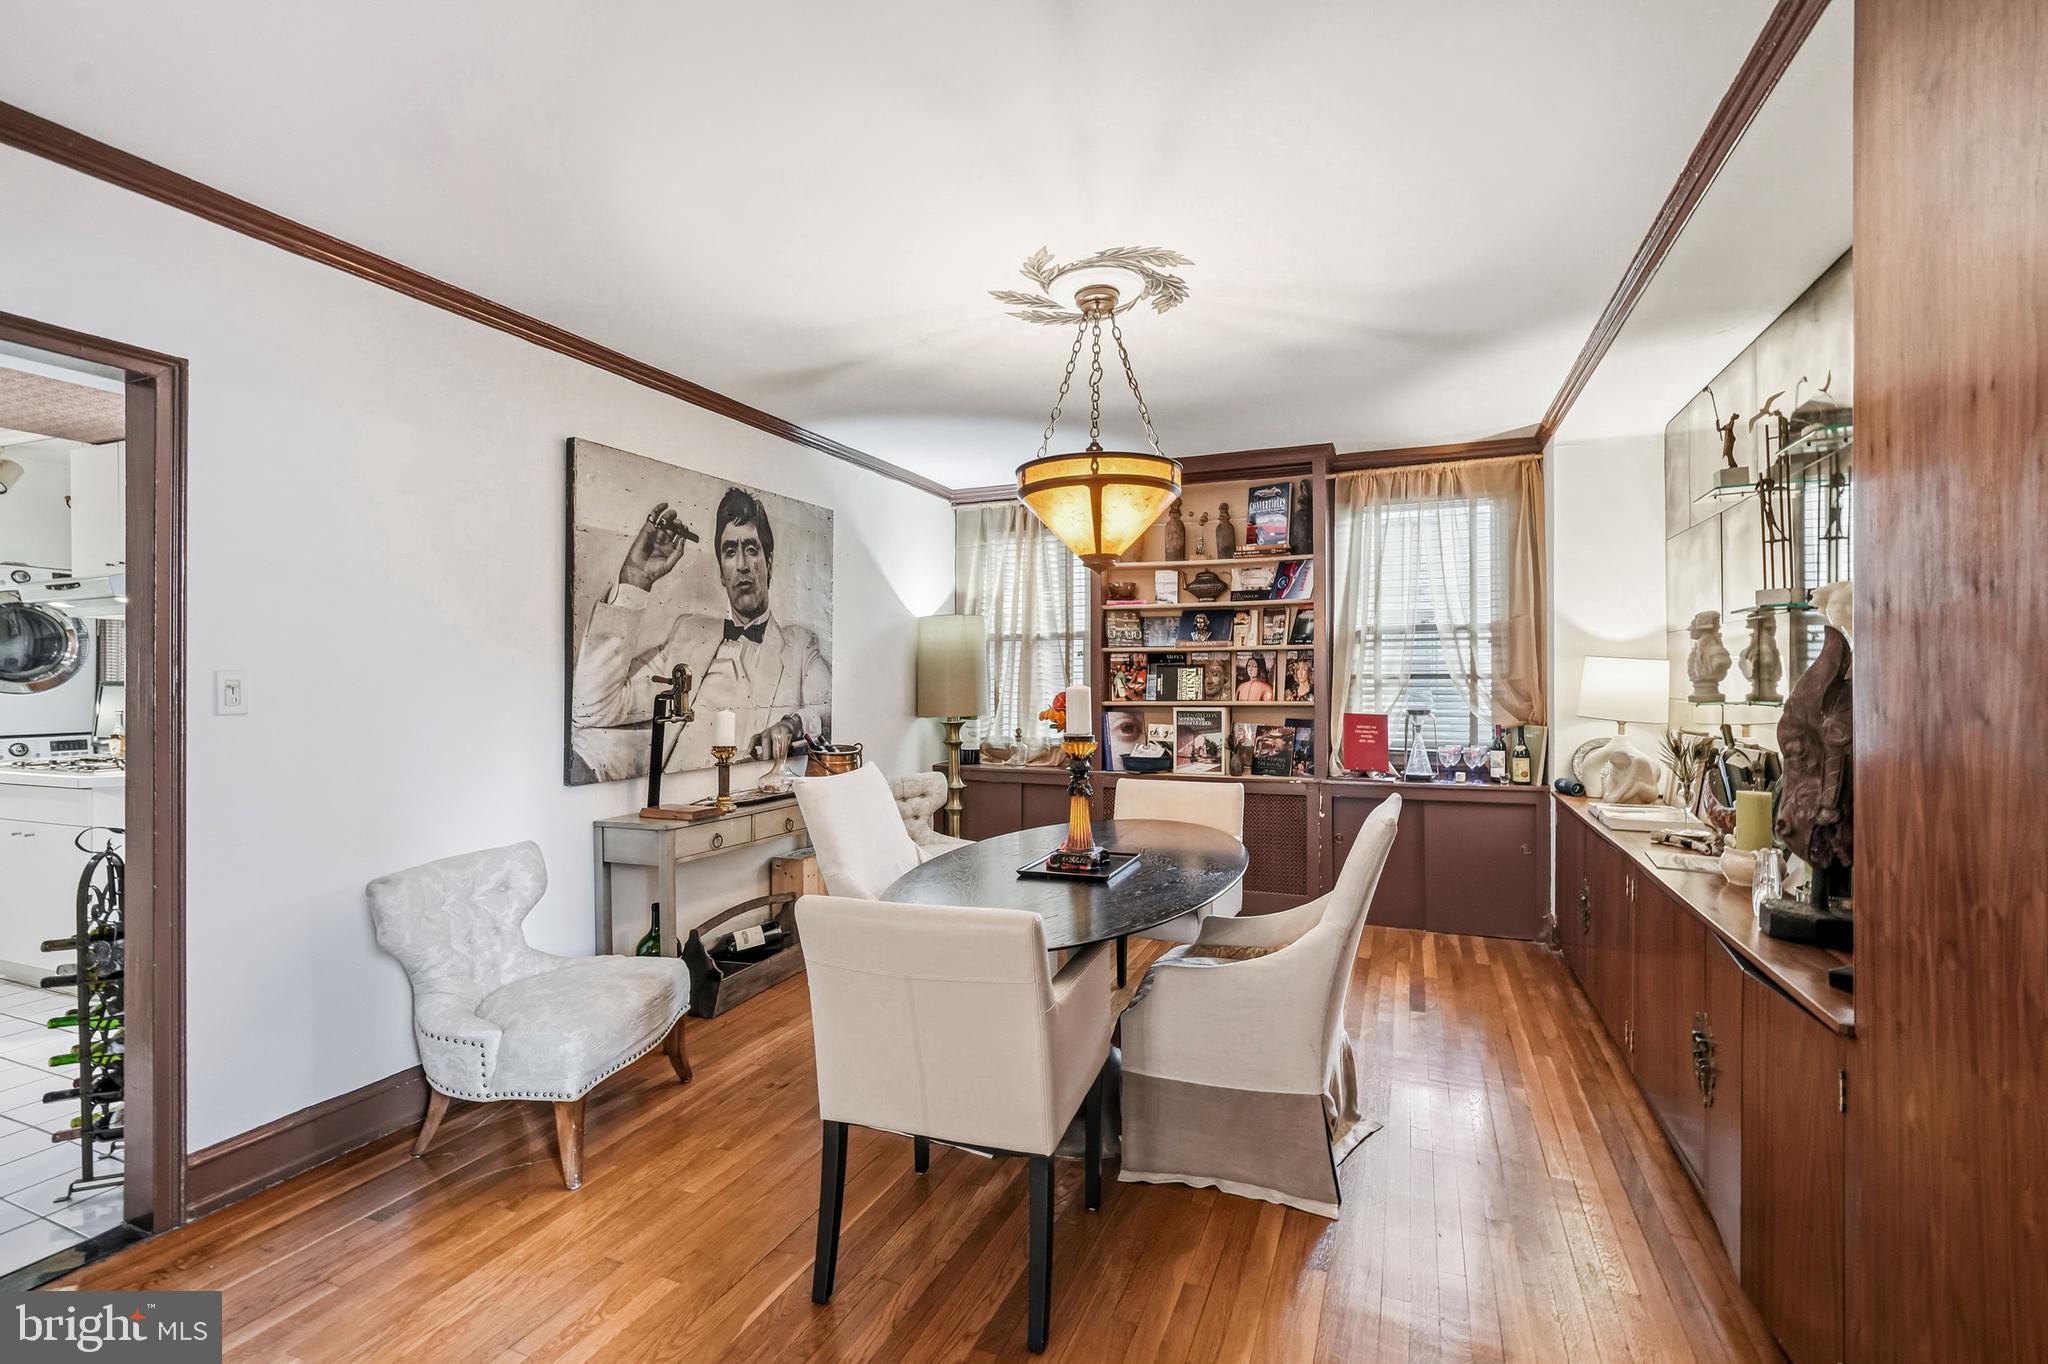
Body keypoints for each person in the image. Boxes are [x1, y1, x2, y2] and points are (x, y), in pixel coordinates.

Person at [572, 487, 830, 781]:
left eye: (751, 549)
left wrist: (792, 723)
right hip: (676, 804)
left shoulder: (797, 646)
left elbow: (829, 708)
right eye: (730, 552)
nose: (742, 565)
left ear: (768, 564)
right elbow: (590, 708)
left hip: (749, 798)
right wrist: (635, 580)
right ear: (722, 572)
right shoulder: (689, 634)